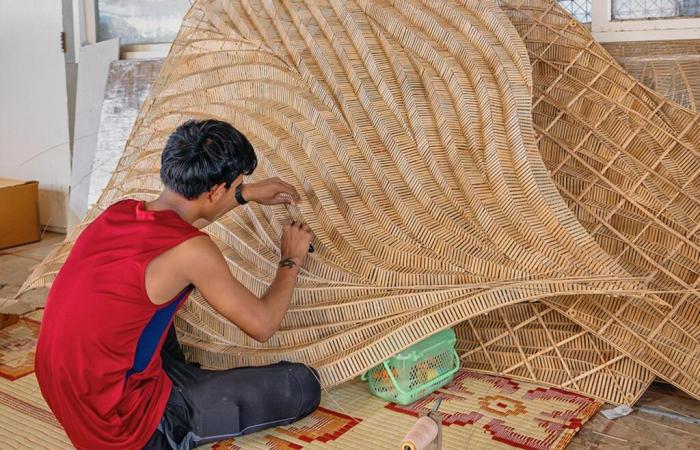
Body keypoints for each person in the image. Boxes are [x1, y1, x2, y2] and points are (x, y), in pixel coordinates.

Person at [35, 119, 321, 450]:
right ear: (215, 191)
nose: (239, 189)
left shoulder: (121, 211)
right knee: (301, 385)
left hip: (70, 393)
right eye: (235, 185)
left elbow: (192, 214)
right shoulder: (192, 251)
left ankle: (181, 385)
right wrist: (291, 258)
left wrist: (244, 193)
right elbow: (262, 324)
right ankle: (178, 419)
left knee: (143, 307)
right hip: (122, 427)